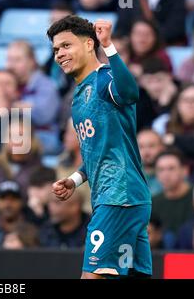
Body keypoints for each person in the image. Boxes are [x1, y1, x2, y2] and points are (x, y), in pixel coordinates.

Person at [48, 15, 152, 278]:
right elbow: (97, 152)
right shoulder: (78, 98)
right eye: (56, 49)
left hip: (118, 196)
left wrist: (109, 47)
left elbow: (130, 93)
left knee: (91, 275)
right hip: (125, 199)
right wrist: (74, 180)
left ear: (87, 44)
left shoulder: (105, 78)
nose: (60, 54)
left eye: (66, 45)